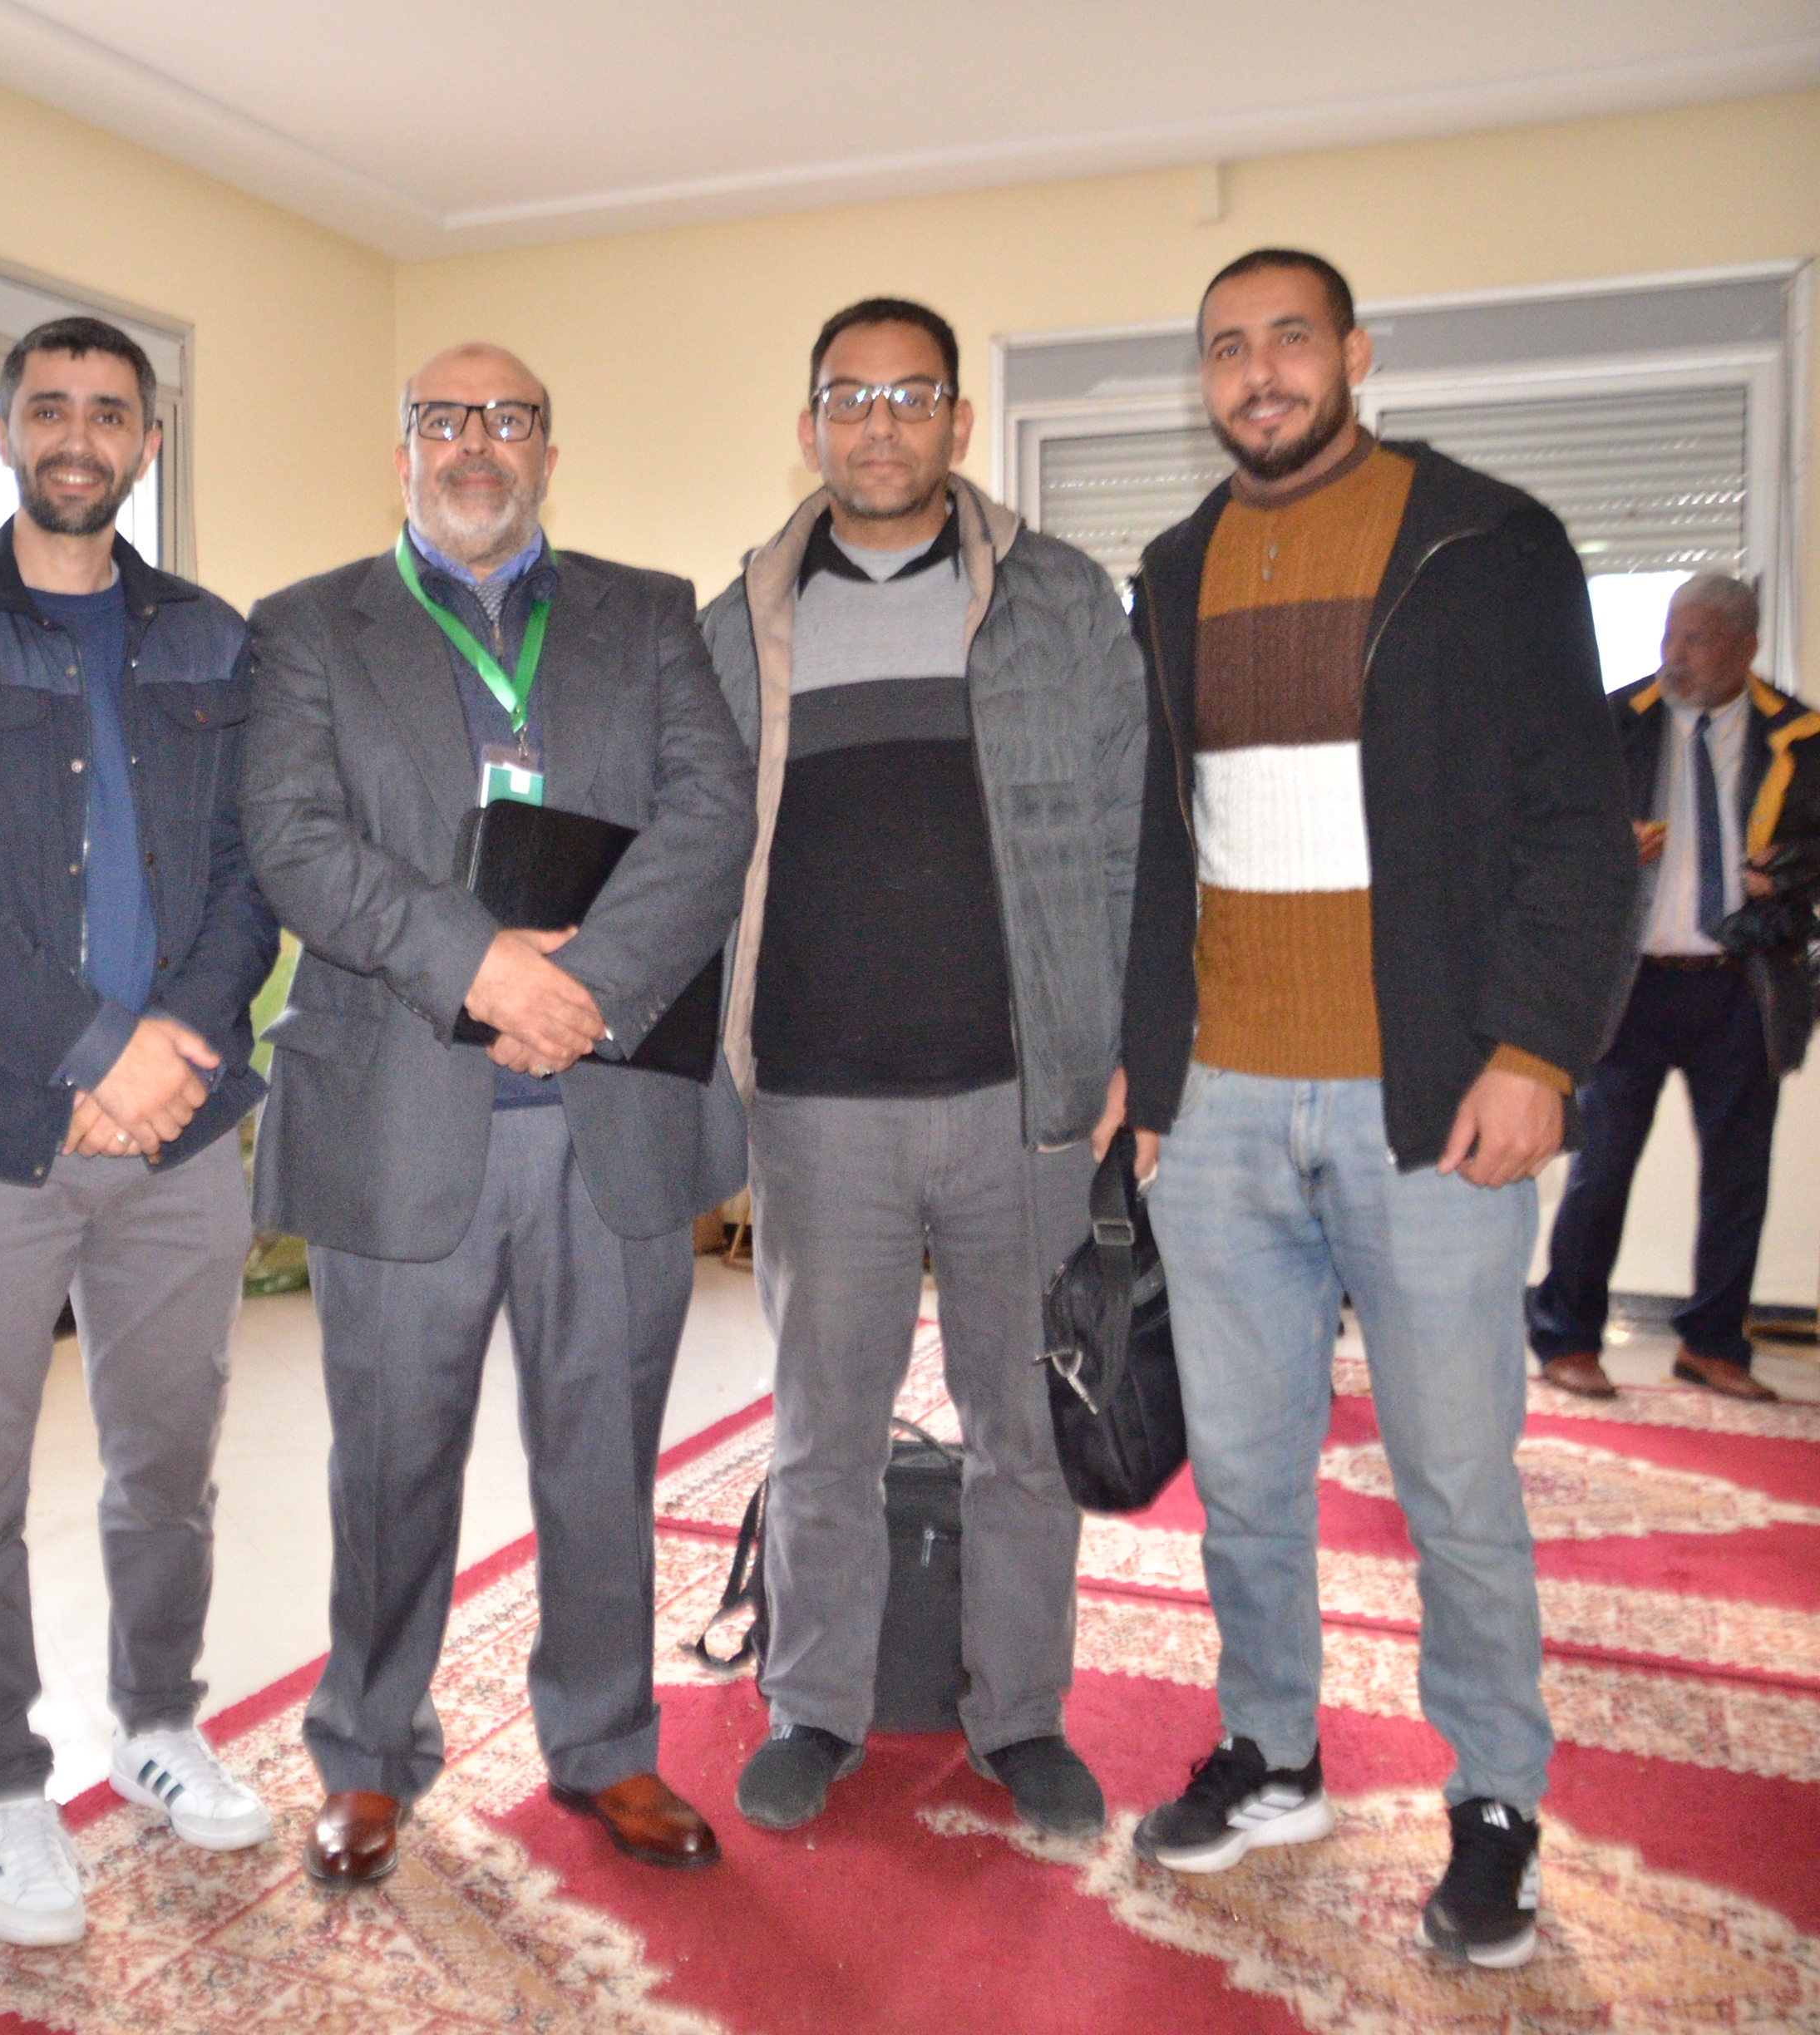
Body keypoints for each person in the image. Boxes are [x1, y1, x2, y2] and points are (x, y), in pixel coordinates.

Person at [1112, 249, 1632, 1969]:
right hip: (1224, 1107)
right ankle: (1271, 1751)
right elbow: (1155, 848)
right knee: (1246, 1473)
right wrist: (1151, 1067)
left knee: (1457, 1481)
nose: (1258, 373)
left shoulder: (1487, 544)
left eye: (1289, 338)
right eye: (1226, 349)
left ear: (1354, 352)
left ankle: (1495, 1800)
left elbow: (1576, 821)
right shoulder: (1172, 569)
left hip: (1431, 1103)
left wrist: (1535, 1050)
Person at [244, 342, 755, 1885]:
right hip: (400, 1108)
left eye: (510, 419)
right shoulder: (306, 627)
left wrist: (577, 986)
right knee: (389, 1462)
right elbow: (293, 840)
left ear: (548, 450)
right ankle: (368, 1753)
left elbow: (711, 815)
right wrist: (479, 968)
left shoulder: (649, 614)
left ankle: (606, 1747)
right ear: (402, 449)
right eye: (445, 420)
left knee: (602, 1455)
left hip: (610, 1108)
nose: (478, 443)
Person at [0, 317, 280, 1946]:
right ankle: (4, 1783)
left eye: (110, 411)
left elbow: (249, 873)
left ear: (148, 442)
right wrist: (98, 1050)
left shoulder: (216, 643)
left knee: (167, 1463)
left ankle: (159, 1723)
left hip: (181, 1140)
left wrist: (172, 1055)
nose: (78, 435)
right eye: (50, 408)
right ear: (5, 433)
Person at [700, 297, 1145, 1840]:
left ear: (958, 420)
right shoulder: (740, 622)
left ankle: (1021, 1715)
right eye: (850, 396)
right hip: (817, 1106)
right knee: (822, 1428)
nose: (879, 423)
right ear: (810, 425)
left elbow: (1126, 831)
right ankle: (814, 1703)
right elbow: (697, 857)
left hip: (1021, 1103)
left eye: (911, 395)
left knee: (1025, 1429)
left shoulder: (1059, 599)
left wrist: (1126, 1052)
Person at [1529, 574, 1818, 1402]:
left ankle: (1714, 1345)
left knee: (1738, 1178)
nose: (1674, 655)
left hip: (1743, 988)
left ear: (1747, 648)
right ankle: (1567, 1338)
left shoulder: (1800, 736)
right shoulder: (1614, 724)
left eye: (1696, 640)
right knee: (1601, 1169)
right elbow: (1546, 837)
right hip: (1634, 988)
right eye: (1670, 636)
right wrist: (1609, 850)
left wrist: (1786, 874)